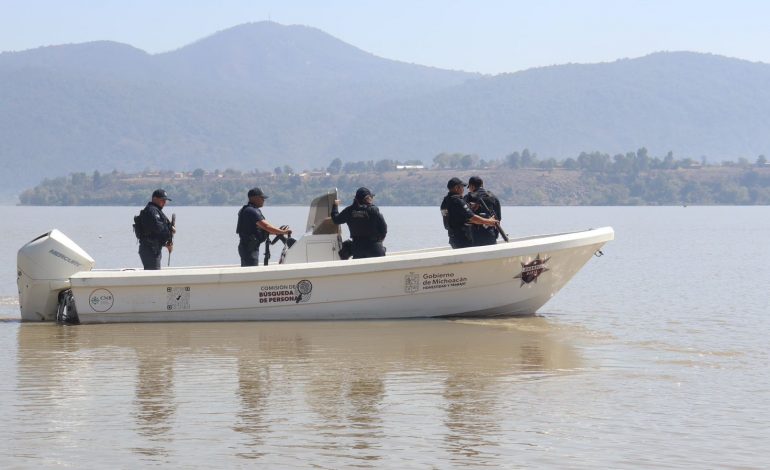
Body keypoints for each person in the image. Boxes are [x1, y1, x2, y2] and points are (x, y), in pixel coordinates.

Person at [236, 187, 292, 267]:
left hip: (248, 247)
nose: (263, 200)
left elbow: (263, 229)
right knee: (251, 273)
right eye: (262, 198)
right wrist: (284, 232)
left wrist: (278, 231)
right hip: (249, 249)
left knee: (249, 271)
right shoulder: (251, 211)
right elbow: (266, 226)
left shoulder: (247, 210)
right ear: (254, 198)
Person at [440, 177, 497, 249]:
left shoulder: (445, 201)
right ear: (456, 188)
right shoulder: (457, 200)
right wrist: (489, 221)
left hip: (453, 238)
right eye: (462, 187)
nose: (463, 190)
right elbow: (472, 218)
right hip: (463, 239)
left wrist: (469, 206)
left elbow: (457, 216)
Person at [331, 187, 387, 258]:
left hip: (358, 249)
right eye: (371, 197)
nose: (372, 199)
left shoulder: (349, 211)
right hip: (375, 249)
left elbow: (336, 220)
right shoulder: (373, 211)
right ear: (367, 198)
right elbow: (384, 229)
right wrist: (379, 241)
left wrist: (335, 206)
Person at [137, 189, 175, 270]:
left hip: (153, 249)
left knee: (153, 275)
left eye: (165, 200)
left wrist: (167, 241)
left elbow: (157, 232)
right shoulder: (152, 211)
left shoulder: (156, 210)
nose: (164, 202)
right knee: (153, 277)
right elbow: (159, 229)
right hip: (150, 250)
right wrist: (170, 231)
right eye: (162, 200)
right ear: (154, 199)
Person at [464, 175, 502, 246]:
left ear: (471, 186)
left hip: (474, 237)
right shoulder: (493, 197)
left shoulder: (468, 198)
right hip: (490, 236)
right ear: (482, 184)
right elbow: (498, 219)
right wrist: (495, 235)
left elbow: (464, 218)